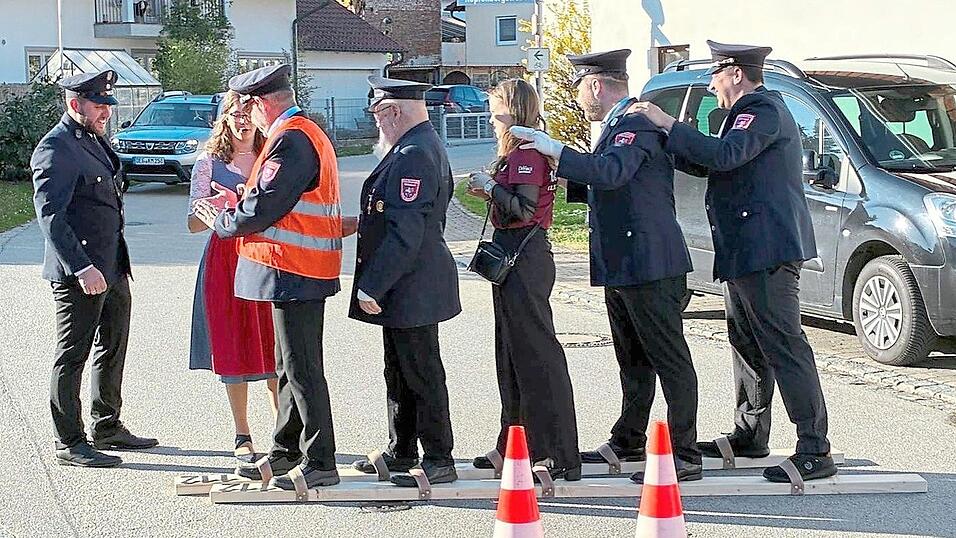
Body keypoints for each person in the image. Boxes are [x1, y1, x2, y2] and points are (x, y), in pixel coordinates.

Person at [631, 40, 837, 483]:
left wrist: (667, 121)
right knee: (746, 343)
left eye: (714, 75)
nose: (709, 84)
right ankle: (749, 434)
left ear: (736, 73)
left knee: (784, 344)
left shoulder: (760, 111)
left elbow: (725, 156)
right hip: (744, 250)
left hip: (766, 251)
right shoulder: (743, 116)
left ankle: (814, 448)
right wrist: (665, 141)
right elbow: (713, 164)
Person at [511, 49, 702, 483]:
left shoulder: (633, 122)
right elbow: (609, 181)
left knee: (669, 358)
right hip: (626, 262)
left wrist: (558, 151)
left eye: (579, 89)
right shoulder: (618, 124)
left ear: (596, 84)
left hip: (650, 263)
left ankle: (684, 452)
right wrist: (561, 168)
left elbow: (613, 172)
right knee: (633, 358)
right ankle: (630, 437)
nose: (579, 99)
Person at [193, 64, 357, 490]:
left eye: (252, 108)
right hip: (292, 267)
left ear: (264, 103)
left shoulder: (292, 139)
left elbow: (265, 204)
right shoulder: (298, 133)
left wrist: (223, 220)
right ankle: (286, 450)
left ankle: (320, 460)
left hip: (295, 267)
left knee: (301, 368)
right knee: (286, 366)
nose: (252, 118)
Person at [31, 70, 158, 468]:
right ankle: (69, 440)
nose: (106, 112)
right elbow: (51, 216)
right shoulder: (56, 148)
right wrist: (82, 267)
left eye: (107, 105)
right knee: (72, 354)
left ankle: (108, 424)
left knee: (113, 347)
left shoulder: (91, 140)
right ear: (75, 104)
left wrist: (108, 265)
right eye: (99, 105)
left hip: (112, 265)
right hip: (81, 272)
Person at [464, 78, 581, 481]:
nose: (491, 114)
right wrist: (492, 191)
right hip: (514, 255)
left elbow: (525, 209)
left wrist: (491, 186)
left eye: (495, 105)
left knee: (535, 355)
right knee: (511, 355)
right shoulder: (516, 153)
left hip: (525, 256)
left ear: (511, 109)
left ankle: (556, 451)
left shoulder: (527, 154)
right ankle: (512, 444)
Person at [349, 76, 461, 488]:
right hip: (407, 281)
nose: (377, 123)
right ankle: (401, 448)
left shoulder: (413, 153)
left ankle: (438, 456)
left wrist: (372, 285)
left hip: (411, 281)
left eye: (378, 114)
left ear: (393, 111)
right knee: (397, 369)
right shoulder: (414, 146)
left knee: (421, 371)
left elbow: (405, 231)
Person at [186, 90, 277, 463]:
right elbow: (192, 223)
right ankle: (243, 434)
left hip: (269, 255)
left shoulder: (272, 157)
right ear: (223, 119)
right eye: (233, 113)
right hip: (224, 259)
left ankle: (285, 430)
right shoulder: (208, 163)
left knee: (275, 343)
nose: (241, 120)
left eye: (246, 112)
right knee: (232, 342)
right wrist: (218, 208)